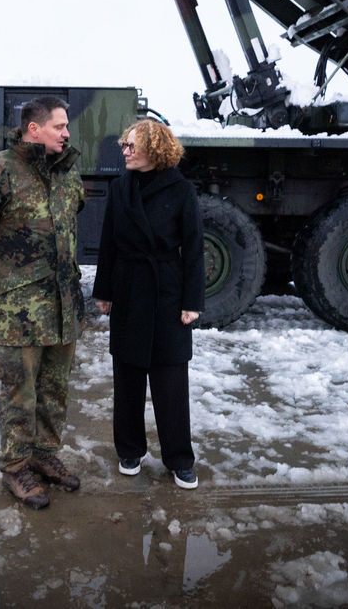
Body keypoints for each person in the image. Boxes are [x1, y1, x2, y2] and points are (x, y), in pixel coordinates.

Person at [0, 96, 85, 510]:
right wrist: (3, 277)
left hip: (63, 302)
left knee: (53, 387)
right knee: (18, 390)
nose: (66, 133)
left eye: (66, 127)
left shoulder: (66, 171)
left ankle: (45, 455)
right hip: (19, 308)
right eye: (59, 126)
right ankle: (16, 467)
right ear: (34, 129)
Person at [92, 118, 205, 489]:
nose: (124, 150)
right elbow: (108, 243)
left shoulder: (182, 190)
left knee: (171, 379)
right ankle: (129, 450)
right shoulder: (119, 188)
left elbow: (193, 248)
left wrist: (192, 300)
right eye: (124, 144)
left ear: (154, 148)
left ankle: (179, 458)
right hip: (127, 288)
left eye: (131, 145)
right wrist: (104, 291)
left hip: (168, 291)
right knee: (127, 376)